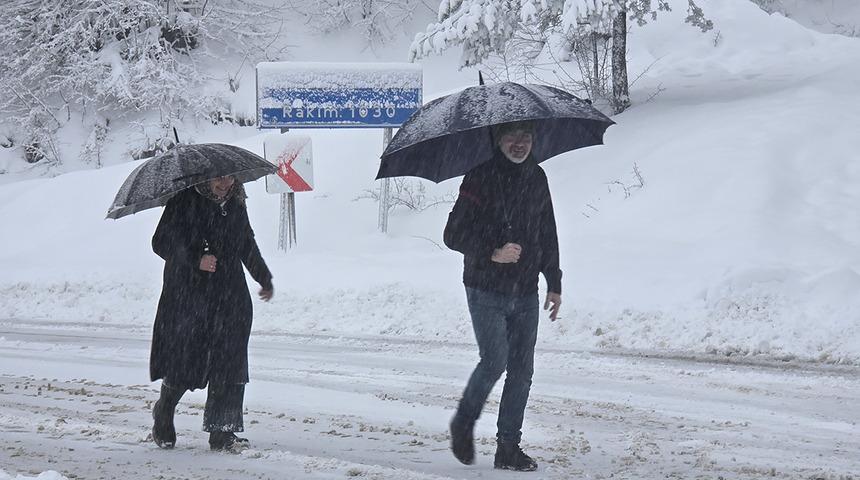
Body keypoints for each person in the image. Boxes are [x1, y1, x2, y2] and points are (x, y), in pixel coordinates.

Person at [443, 120, 562, 472]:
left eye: (526, 137)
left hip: (525, 290)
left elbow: (547, 231)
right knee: (495, 361)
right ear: (498, 140)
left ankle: (508, 447)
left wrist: (554, 281)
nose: (520, 143)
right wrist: (492, 252)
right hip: (485, 287)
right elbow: (453, 234)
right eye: (512, 136)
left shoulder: (537, 178)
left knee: (522, 371)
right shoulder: (478, 177)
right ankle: (463, 421)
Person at [149, 175, 274, 452]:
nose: (224, 184)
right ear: (205, 178)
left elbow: (246, 244)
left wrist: (263, 277)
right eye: (218, 178)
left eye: (230, 178)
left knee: (230, 362)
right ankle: (164, 411)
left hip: (230, 295)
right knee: (188, 361)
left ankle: (222, 432)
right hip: (190, 294)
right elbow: (160, 243)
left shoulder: (236, 204)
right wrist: (196, 259)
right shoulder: (184, 201)